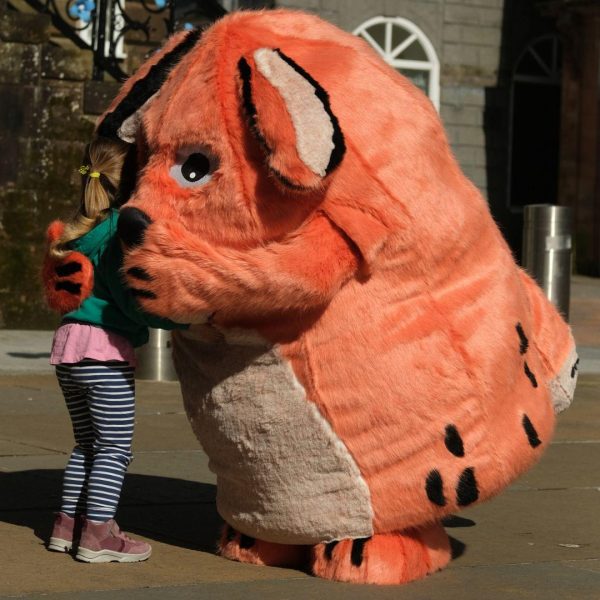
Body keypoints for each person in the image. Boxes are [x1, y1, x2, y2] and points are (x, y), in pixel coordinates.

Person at [43, 136, 187, 563]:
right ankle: (99, 535)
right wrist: (181, 320)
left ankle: (66, 525)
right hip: (104, 354)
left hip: (68, 352)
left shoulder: (70, 233)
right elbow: (130, 303)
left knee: (86, 445)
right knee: (115, 449)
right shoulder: (114, 233)